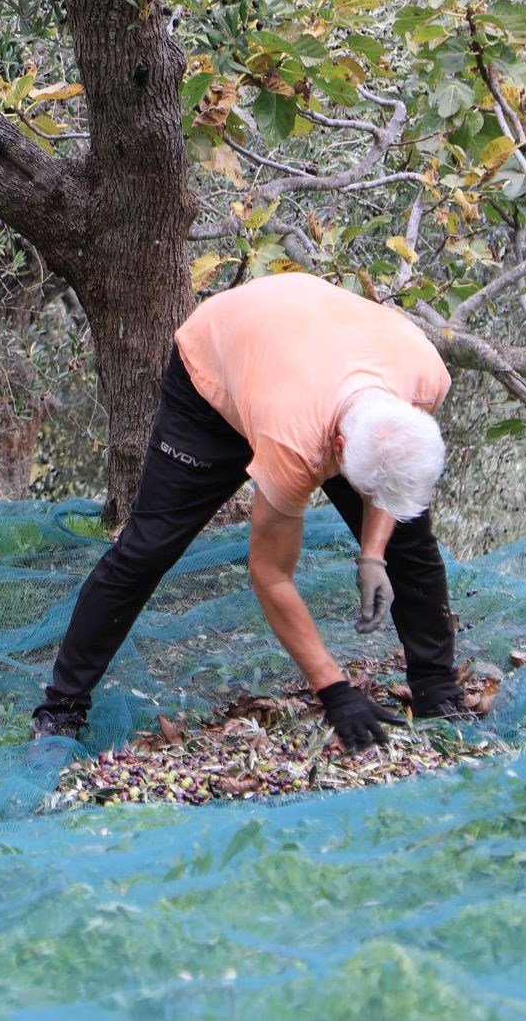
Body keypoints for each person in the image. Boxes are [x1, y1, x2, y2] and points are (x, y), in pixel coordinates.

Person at [31, 271, 476, 751]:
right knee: (147, 549)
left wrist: (374, 554)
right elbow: (270, 574)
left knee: (411, 542)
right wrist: (334, 688)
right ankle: (61, 707)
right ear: (339, 449)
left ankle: (438, 691)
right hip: (217, 369)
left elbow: (392, 488)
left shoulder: (425, 376)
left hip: (304, 352)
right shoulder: (295, 441)